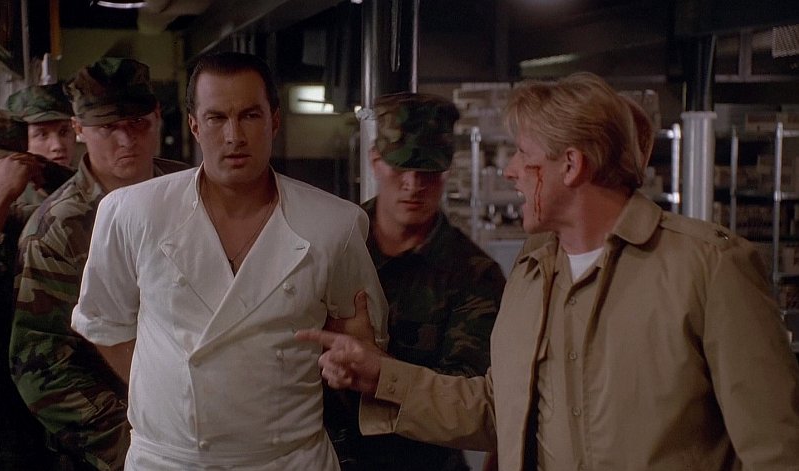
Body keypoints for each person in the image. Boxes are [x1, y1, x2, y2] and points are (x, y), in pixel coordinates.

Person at [298, 72, 799, 470]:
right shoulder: (533, 273)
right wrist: (379, 376)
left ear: (571, 165)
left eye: (524, 153)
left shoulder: (708, 268)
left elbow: (776, 449)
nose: (510, 170)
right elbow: (497, 409)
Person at [69, 51, 388, 470]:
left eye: (250, 116)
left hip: (286, 459)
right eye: (217, 118)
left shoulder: (334, 224)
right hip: (169, 460)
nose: (234, 136)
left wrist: (358, 351)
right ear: (194, 125)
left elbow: (360, 341)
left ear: (274, 120)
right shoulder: (131, 212)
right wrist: (174, 391)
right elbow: (105, 324)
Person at [10, 57, 189, 471]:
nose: (126, 140)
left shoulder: (191, 192)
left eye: (137, 123)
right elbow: (41, 363)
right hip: (121, 436)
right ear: (79, 128)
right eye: (108, 127)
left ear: (157, 116)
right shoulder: (57, 230)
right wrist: (133, 446)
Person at [324, 92, 505, 471]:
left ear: (446, 171)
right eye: (401, 167)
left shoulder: (473, 275)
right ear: (375, 161)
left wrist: (378, 367)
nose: (413, 184)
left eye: (428, 172)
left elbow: (468, 400)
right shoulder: (331, 244)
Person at [0, 105, 69, 470]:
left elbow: (91, 209)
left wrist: (50, 176)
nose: (9, 181)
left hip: (14, 413)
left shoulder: (6, 218)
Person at [6, 83, 77, 207]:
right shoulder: (10, 198)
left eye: (64, 132)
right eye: (42, 134)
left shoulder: (92, 184)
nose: (57, 146)